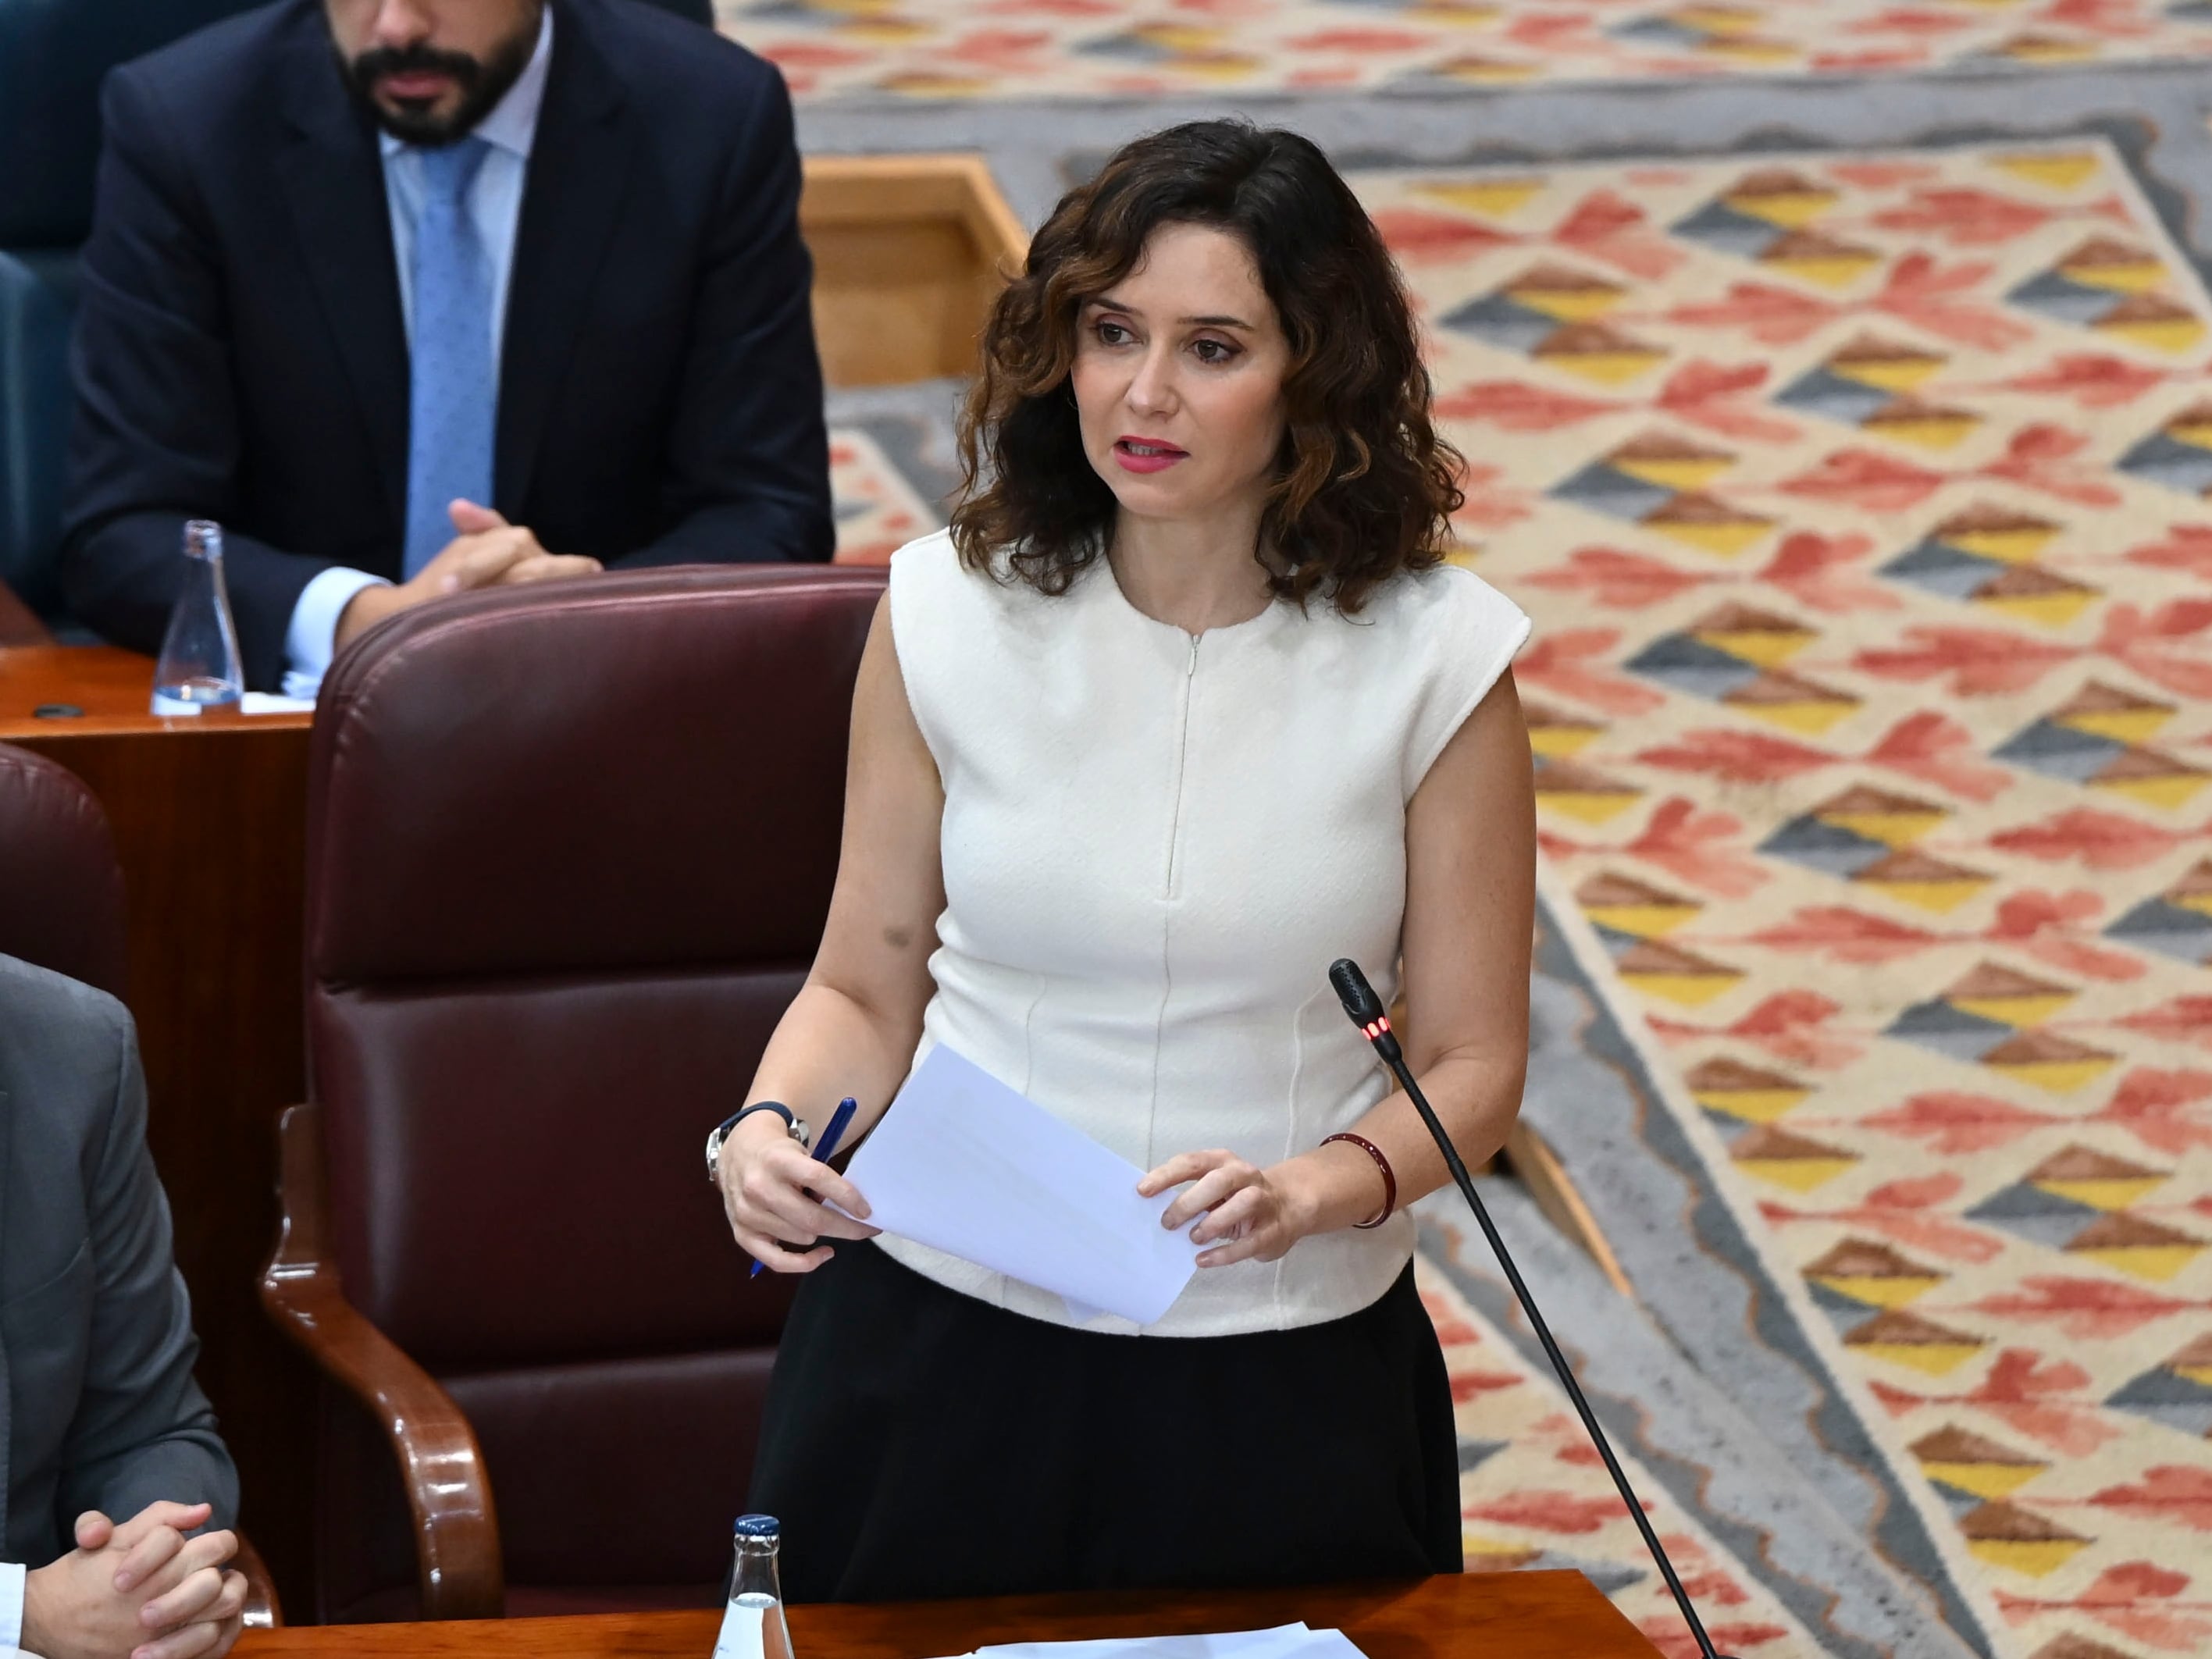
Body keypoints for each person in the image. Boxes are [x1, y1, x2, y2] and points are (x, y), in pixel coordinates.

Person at [714, 119, 1536, 1598]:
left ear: (1315, 375)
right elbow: (864, 982)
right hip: (942, 1344)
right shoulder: (940, 611)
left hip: (1281, 1360)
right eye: (1110, 333)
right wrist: (766, 1131)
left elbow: (1473, 1069)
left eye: (1212, 348)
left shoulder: (1439, 662)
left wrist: (1317, 1188)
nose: (1142, 392)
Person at [59, 0, 832, 696]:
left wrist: (588, 616)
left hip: (609, 717)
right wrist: (363, 621)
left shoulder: (711, 117)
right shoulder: (186, 123)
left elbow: (769, 510)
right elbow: (123, 528)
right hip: (286, 739)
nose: (396, 26)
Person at [0, 954, 247, 1659]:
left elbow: (150, 1430)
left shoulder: (76, 1049)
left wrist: (157, 1583)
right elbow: (40, 1613)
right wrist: (22, 1611)